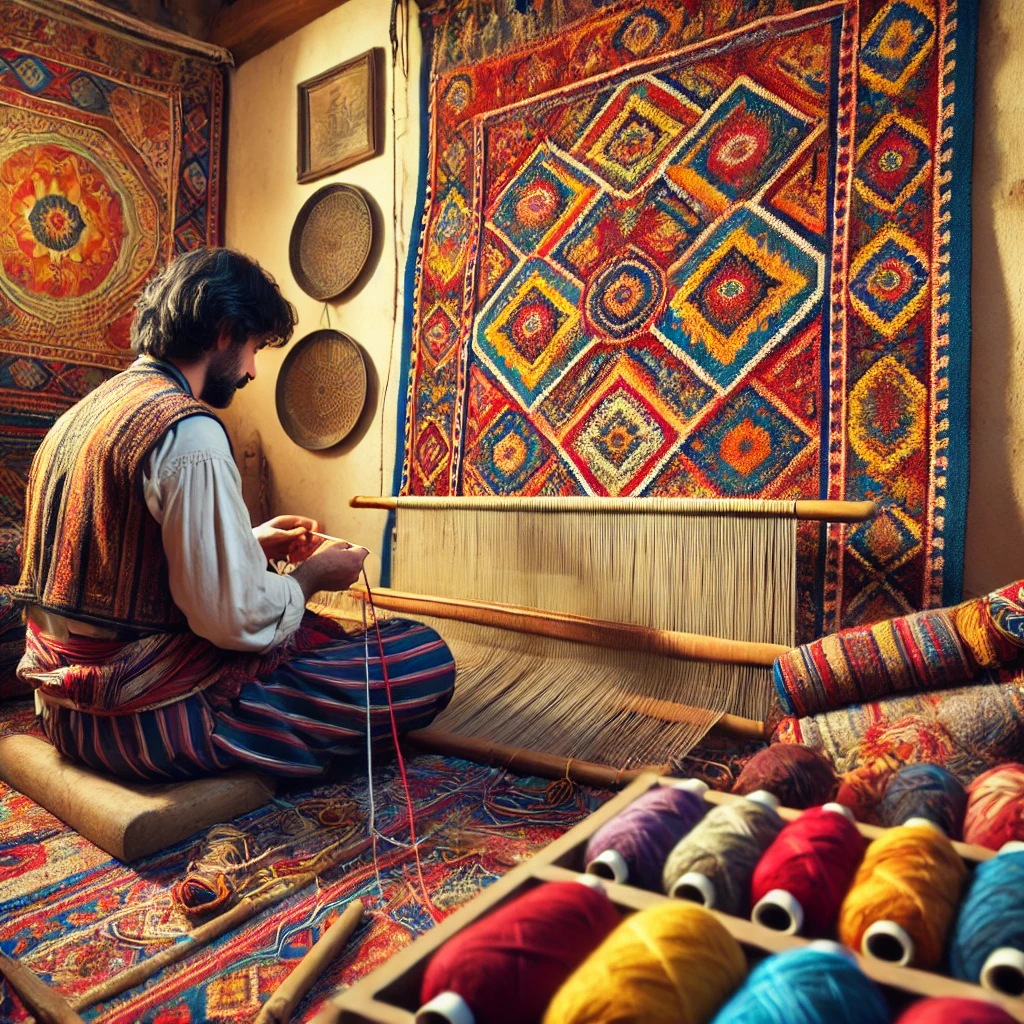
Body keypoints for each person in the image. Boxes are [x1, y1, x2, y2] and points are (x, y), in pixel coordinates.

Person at [12, 248, 455, 781]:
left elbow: (122, 553)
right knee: (423, 657)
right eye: (254, 347)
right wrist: (314, 575)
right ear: (224, 330)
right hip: (140, 725)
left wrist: (250, 542)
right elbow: (232, 620)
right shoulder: (187, 431)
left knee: (325, 641)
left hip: (58, 710)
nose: (251, 369)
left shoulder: (81, 417)